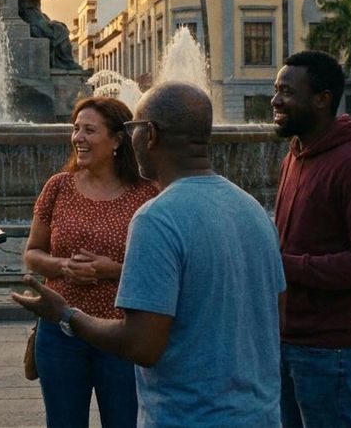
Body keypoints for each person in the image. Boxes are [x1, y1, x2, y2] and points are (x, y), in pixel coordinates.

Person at [14, 82, 286, 427]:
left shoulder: (156, 216)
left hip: (188, 415)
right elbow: (278, 317)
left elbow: (141, 344)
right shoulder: (254, 211)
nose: (132, 138)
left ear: (151, 134)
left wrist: (65, 314)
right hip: (257, 414)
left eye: (133, 129)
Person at [271, 51, 351, 428]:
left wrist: (287, 266)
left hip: (334, 348)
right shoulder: (294, 156)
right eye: (276, 90)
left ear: (322, 99)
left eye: (287, 92)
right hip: (289, 339)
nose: (275, 100)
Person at [23, 96, 157, 428]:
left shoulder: (147, 193)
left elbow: (161, 270)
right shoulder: (58, 186)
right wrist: (64, 267)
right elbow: (33, 253)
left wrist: (112, 271)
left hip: (121, 333)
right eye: (76, 129)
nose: (78, 138)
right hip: (60, 332)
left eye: (89, 130)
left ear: (117, 140)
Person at [18, 0, 82, 71]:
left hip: (36, 18)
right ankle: (66, 62)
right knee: (61, 31)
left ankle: (64, 61)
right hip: (34, 21)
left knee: (60, 27)